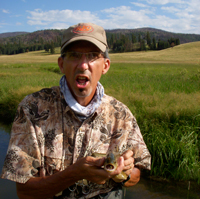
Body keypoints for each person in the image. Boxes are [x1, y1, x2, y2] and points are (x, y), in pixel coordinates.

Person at [1, 23, 151, 199]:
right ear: (61, 64)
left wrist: (125, 171)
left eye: (93, 56)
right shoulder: (33, 109)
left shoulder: (121, 114)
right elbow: (25, 192)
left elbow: (136, 175)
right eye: (74, 55)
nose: (83, 65)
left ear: (105, 65)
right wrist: (74, 174)